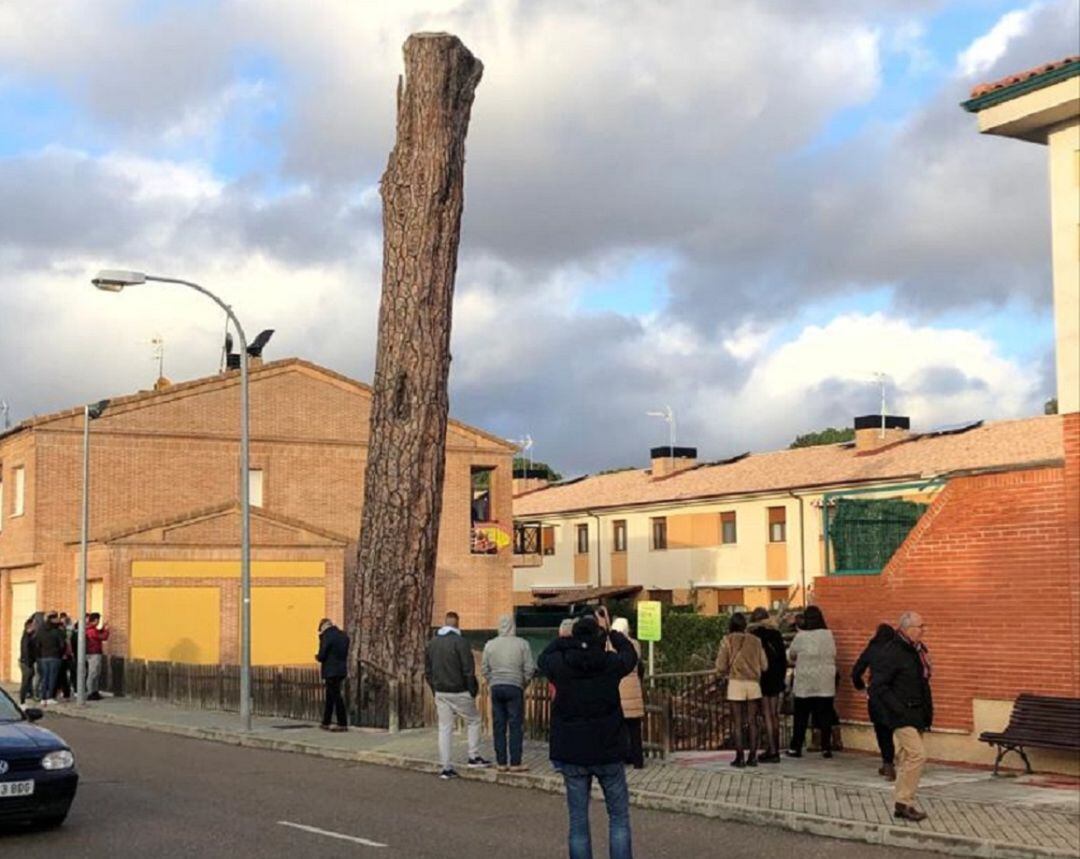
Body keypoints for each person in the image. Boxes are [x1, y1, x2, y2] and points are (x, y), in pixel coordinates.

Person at [539, 608, 638, 859]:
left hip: (572, 751)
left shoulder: (560, 665)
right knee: (618, 818)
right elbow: (630, 655)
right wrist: (611, 632)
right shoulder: (610, 664)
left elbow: (543, 657)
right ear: (599, 636)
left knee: (578, 823)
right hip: (608, 748)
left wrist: (565, 639)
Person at [873, 611, 933, 822]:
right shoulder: (893, 652)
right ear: (907, 629)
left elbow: (922, 684)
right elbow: (878, 685)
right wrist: (897, 708)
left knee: (908, 757)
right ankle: (905, 801)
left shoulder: (917, 651)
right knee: (917, 755)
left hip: (917, 712)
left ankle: (901, 803)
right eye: (920, 627)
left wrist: (927, 713)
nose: (923, 630)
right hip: (901, 713)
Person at [425, 611, 489, 779]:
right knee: (474, 720)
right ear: (457, 624)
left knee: (444, 728)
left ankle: (445, 767)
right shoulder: (461, 642)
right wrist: (472, 690)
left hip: (441, 691)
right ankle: (473, 755)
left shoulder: (432, 643)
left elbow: (428, 670)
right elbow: (468, 669)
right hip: (459, 690)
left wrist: (434, 688)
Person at [482, 614, 535, 773]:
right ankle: (515, 762)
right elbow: (529, 668)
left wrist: (493, 680)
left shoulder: (490, 645)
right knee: (515, 725)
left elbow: (485, 668)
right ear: (513, 626)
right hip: (514, 687)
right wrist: (522, 682)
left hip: (496, 687)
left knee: (498, 725)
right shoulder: (522, 644)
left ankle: (501, 762)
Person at [715, 612, 768, 767]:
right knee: (753, 722)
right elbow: (764, 665)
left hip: (736, 683)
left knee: (737, 722)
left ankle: (740, 757)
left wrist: (724, 672)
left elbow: (720, 666)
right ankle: (753, 756)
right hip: (753, 684)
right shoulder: (756, 641)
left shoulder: (727, 640)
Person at [786, 605, 837, 759]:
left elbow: (792, 654)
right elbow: (833, 653)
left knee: (801, 717)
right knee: (825, 716)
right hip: (825, 683)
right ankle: (826, 748)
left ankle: (796, 748)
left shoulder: (801, 636)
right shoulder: (828, 635)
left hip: (805, 683)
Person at [852, 623, 897, 780]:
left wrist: (861, 686)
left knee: (882, 731)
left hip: (877, 695)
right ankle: (902, 763)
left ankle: (888, 764)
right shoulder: (897, 650)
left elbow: (856, 671)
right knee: (901, 730)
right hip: (897, 695)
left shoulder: (872, 648)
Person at [749, 607, 787, 763]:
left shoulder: (754, 636)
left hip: (764, 677)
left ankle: (772, 751)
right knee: (774, 715)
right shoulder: (777, 634)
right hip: (777, 677)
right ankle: (776, 748)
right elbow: (783, 658)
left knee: (767, 715)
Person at [610, 617, 646, 769]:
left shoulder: (610, 645)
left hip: (618, 689)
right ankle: (638, 759)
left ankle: (622, 757)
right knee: (635, 728)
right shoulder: (635, 645)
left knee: (619, 728)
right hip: (634, 689)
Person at [315, 618, 349, 732]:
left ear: (323, 627)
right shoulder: (343, 635)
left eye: (321, 630)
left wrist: (318, 657)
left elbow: (322, 654)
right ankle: (326, 721)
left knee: (336, 696)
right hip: (341, 670)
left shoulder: (327, 636)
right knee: (330, 696)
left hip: (330, 670)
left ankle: (342, 723)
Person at [36, 612, 68, 704]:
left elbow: (37, 644)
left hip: (43, 657)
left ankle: (43, 698)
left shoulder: (41, 631)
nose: (58, 619)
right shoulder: (57, 631)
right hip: (54, 657)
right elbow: (62, 645)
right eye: (56, 618)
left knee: (45, 677)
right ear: (52, 620)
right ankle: (50, 697)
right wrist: (61, 654)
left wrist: (40, 655)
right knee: (52, 678)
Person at [84, 613, 111, 700]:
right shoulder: (91, 630)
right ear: (95, 620)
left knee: (95, 673)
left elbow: (99, 633)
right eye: (98, 620)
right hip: (93, 653)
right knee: (93, 673)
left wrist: (103, 628)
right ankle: (91, 692)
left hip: (93, 653)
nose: (98, 622)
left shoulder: (91, 629)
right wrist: (106, 630)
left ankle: (94, 691)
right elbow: (102, 637)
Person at [19, 617, 38, 705]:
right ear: (29, 626)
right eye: (34, 625)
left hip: (29, 661)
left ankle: (30, 694)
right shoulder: (26, 637)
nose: (35, 626)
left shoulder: (30, 636)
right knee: (25, 681)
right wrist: (28, 663)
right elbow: (25, 650)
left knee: (29, 679)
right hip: (26, 662)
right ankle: (22, 699)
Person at [58, 612, 74, 700]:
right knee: (62, 675)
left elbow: (67, 644)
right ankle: (64, 692)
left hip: (66, 656)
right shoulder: (62, 633)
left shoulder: (67, 632)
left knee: (64, 675)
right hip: (63, 656)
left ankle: (65, 692)